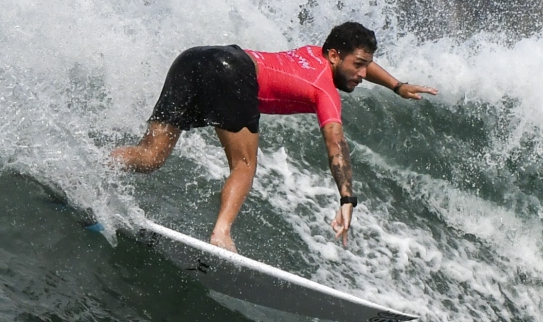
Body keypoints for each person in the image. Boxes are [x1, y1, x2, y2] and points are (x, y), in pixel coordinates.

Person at [111, 22, 436, 252]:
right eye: (359, 65)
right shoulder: (324, 88)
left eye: (367, 66)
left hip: (194, 59)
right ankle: (221, 233)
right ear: (335, 56)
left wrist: (396, 85)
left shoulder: (315, 52)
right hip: (234, 71)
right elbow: (335, 143)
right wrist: (347, 199)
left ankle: (97, 165)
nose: (363, 74)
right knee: (245, 164)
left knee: (151, 156)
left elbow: (362, 63)